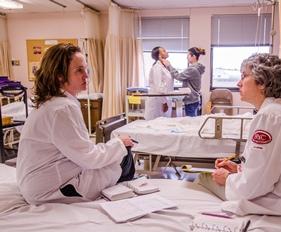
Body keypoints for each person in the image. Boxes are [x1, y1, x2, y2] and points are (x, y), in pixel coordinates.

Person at [200, 53, 281, 216]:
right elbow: (268, 167)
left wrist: (227, 178)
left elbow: (254, 185)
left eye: (244, 76)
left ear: (261, 82)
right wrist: (238, 169)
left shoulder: (269, 117)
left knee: (201, 178)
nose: (238, 82)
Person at [16, 43, 135, 204]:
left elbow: (78, 151)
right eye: (79, 70)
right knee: (124, 155)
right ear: (59, 75)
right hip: (50, 190)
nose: (86, 75)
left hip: (38, 183)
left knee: (115, 154)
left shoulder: (51, 103)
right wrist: (119, 144)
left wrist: (114, 146)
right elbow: (89, 158)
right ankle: (125, 194)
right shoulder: (62, 108)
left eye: (86, 69)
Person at [161, 47, 205, 117]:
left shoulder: (192, 69)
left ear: (193, 56)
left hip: (191, 100)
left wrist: (169, 66)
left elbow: (179, 76)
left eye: (188, 55)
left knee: (191, 122)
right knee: (193, 121)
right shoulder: (197, 68)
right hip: (194, 99)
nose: (186, 58)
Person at [144, 46, 174, 120]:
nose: (167, 52)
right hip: (158, 102)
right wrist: (164, 102)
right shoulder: (157, 67)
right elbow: (159, 88)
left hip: (164, 100)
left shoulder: (164, 67)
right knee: (155, 125)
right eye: (164, 51)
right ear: (159, 55)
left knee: (163, 125)